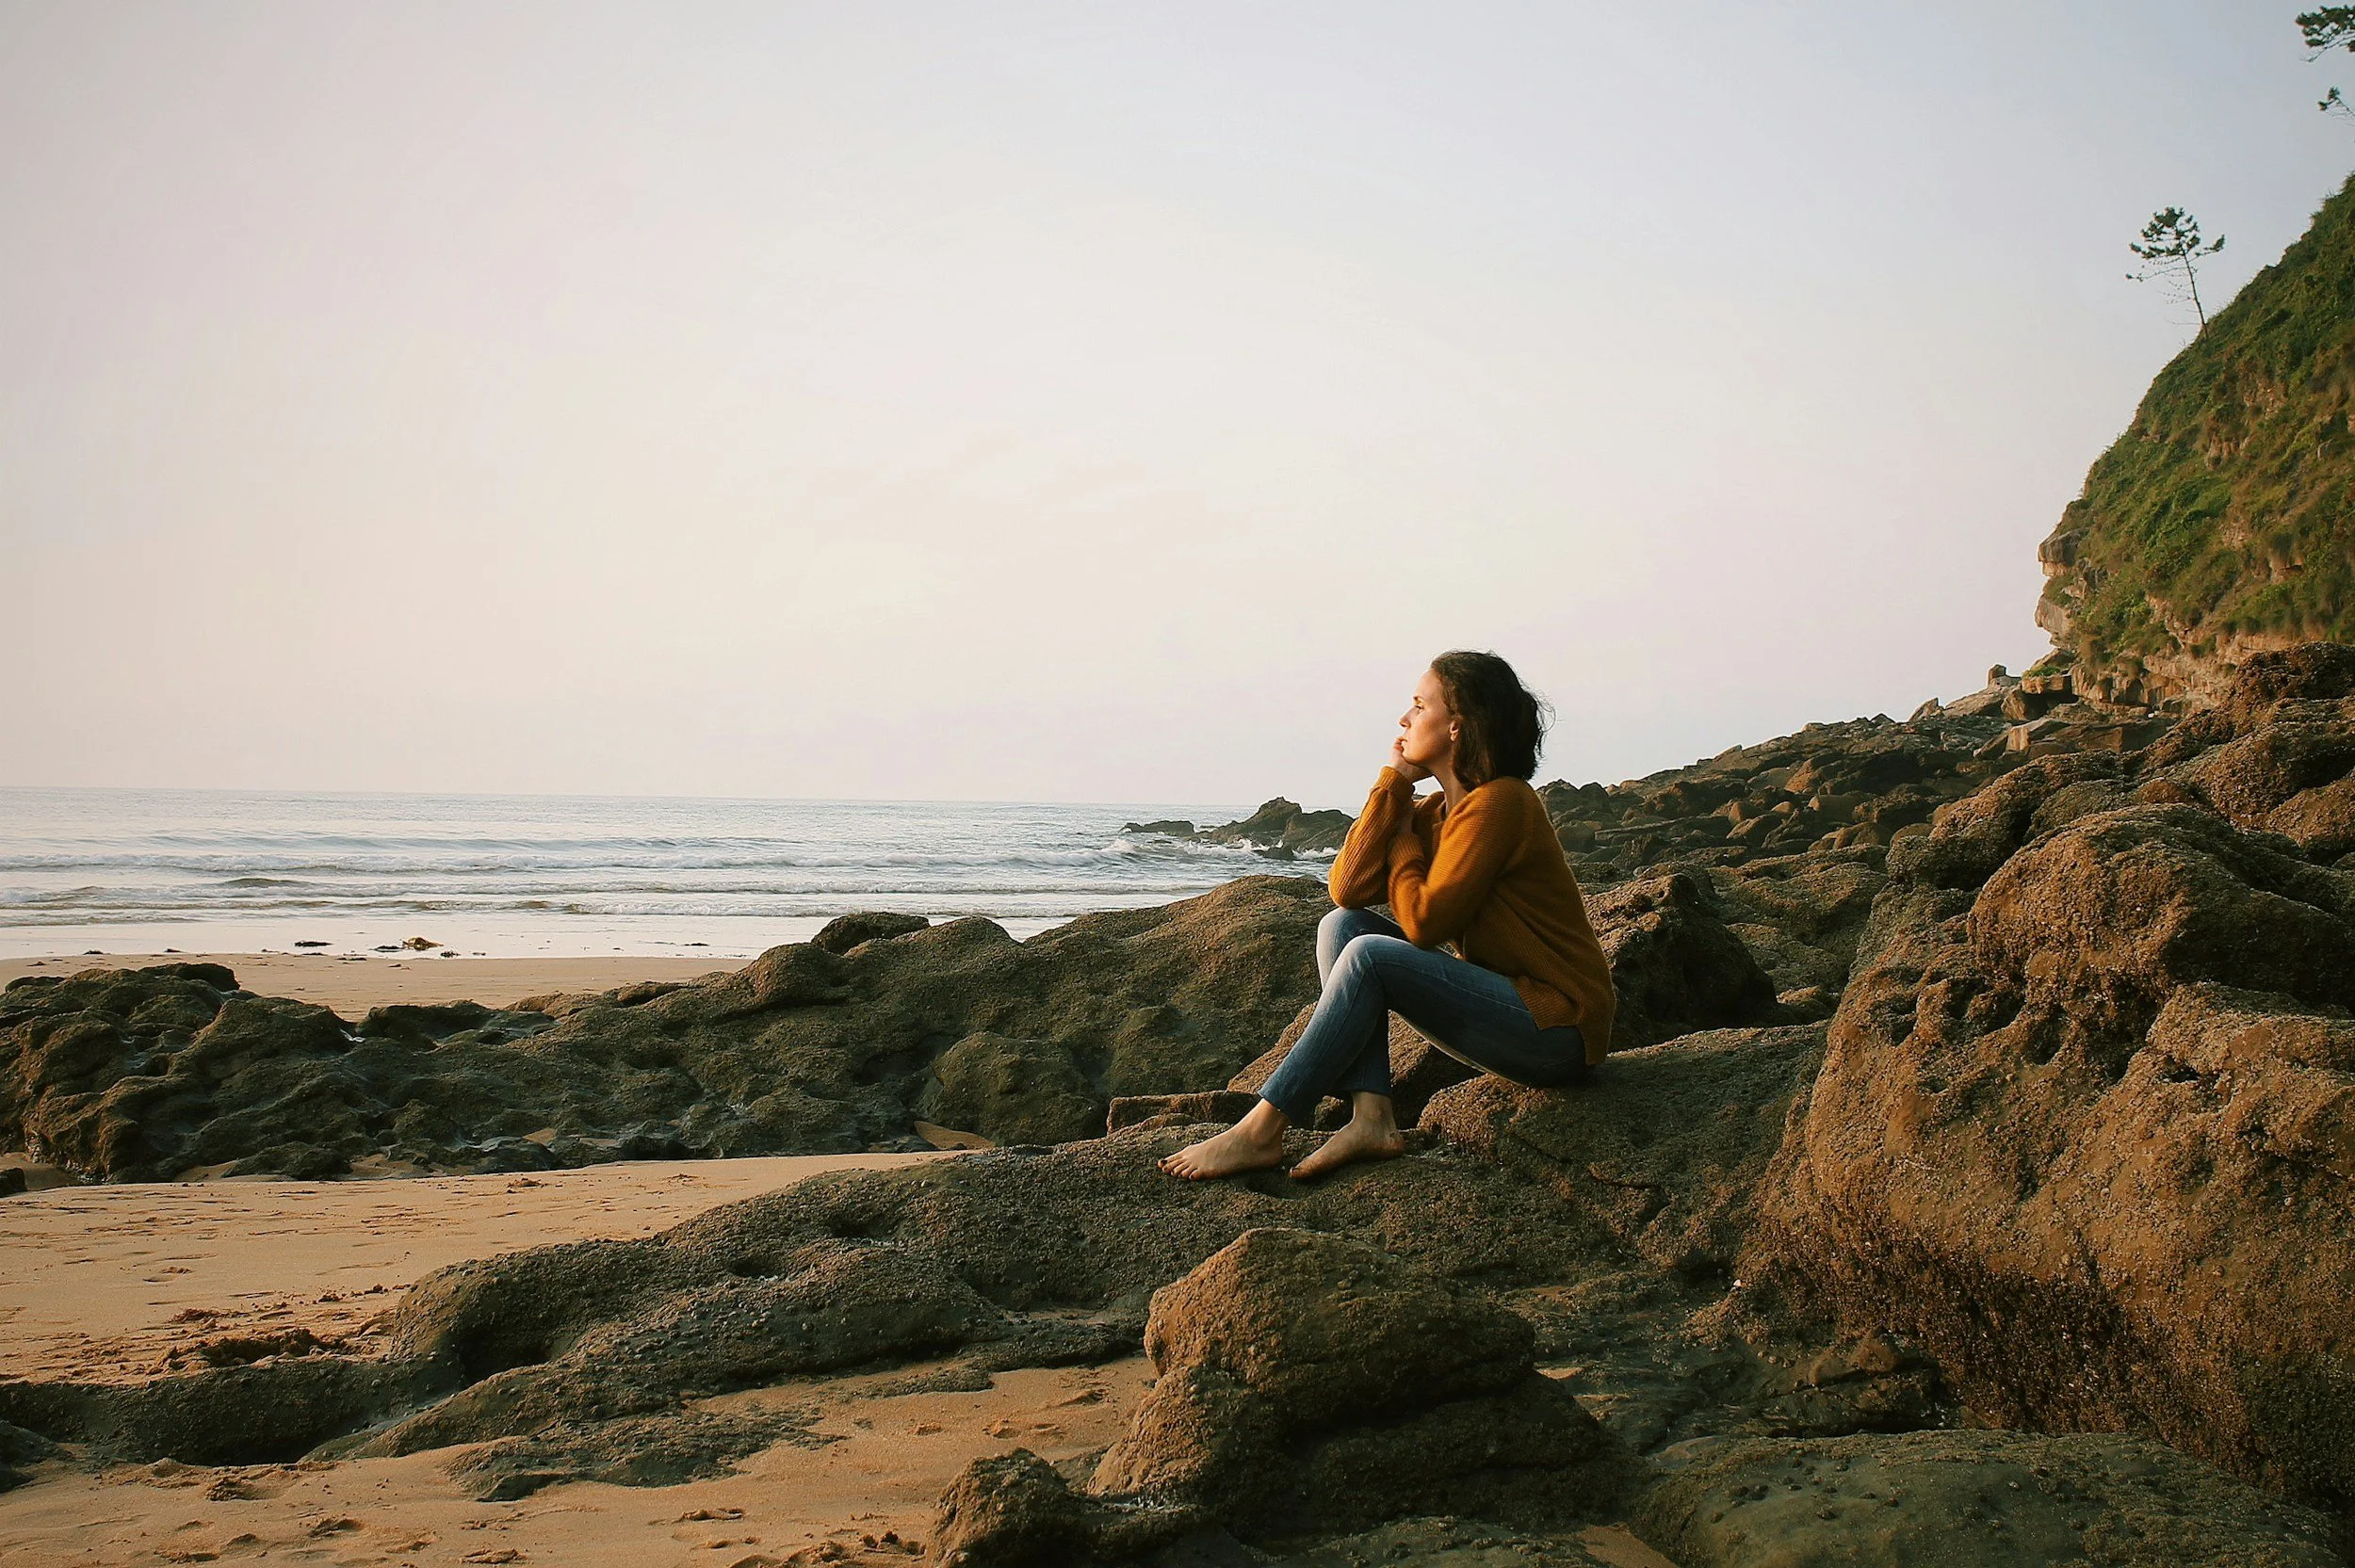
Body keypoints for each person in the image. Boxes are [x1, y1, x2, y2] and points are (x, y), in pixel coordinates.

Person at [1160, 650, 1616, 1181]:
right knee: (1343, 927)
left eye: (1420, 706)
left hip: (1558, 1029)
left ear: (1457, 727)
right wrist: (1394, 785)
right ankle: (1371, 1115)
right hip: (1508, 1007)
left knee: (1370, 956)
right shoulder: (1434, 813)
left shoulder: (1504, 803)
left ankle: (1263, 1128)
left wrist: (1401, 846)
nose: (1404, 719)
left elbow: (1424, 923)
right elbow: (1347, 890)